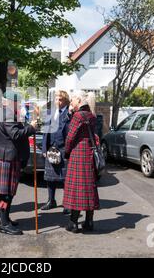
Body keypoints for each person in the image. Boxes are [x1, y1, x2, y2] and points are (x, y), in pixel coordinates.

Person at [0, 91, 37, 235]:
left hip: (3, 156)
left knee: (4, 192)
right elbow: (15, 134)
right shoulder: (8, 114)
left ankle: (4, 219)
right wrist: (31, 128)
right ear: (12, 102)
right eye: (19, 102)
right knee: (7, 193)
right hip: (8, 158)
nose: (20, 105)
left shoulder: (0, 113)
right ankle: (4, 224)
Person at [63, 90, 99, 233]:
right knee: (89, 188)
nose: (71, 102)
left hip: (78, 154)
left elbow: (70, 138)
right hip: (89, 152)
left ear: (78, 100)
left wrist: (66, 152)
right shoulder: (91, 115)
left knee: (77, 189)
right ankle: (89, 222)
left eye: (72, 100)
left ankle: (73, 223)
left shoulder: (78, 116)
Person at [41, 90, 71, 213]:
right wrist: (44, 148)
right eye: (56, 99)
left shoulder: (69, 114)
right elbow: (45, 131)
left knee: (65, 179)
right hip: (51, 148)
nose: (57, 102)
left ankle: (67, 203)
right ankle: (51, 200)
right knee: (50, 177)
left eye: (60, 99)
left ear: (65, 101)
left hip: (64, 149)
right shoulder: (50, 112)